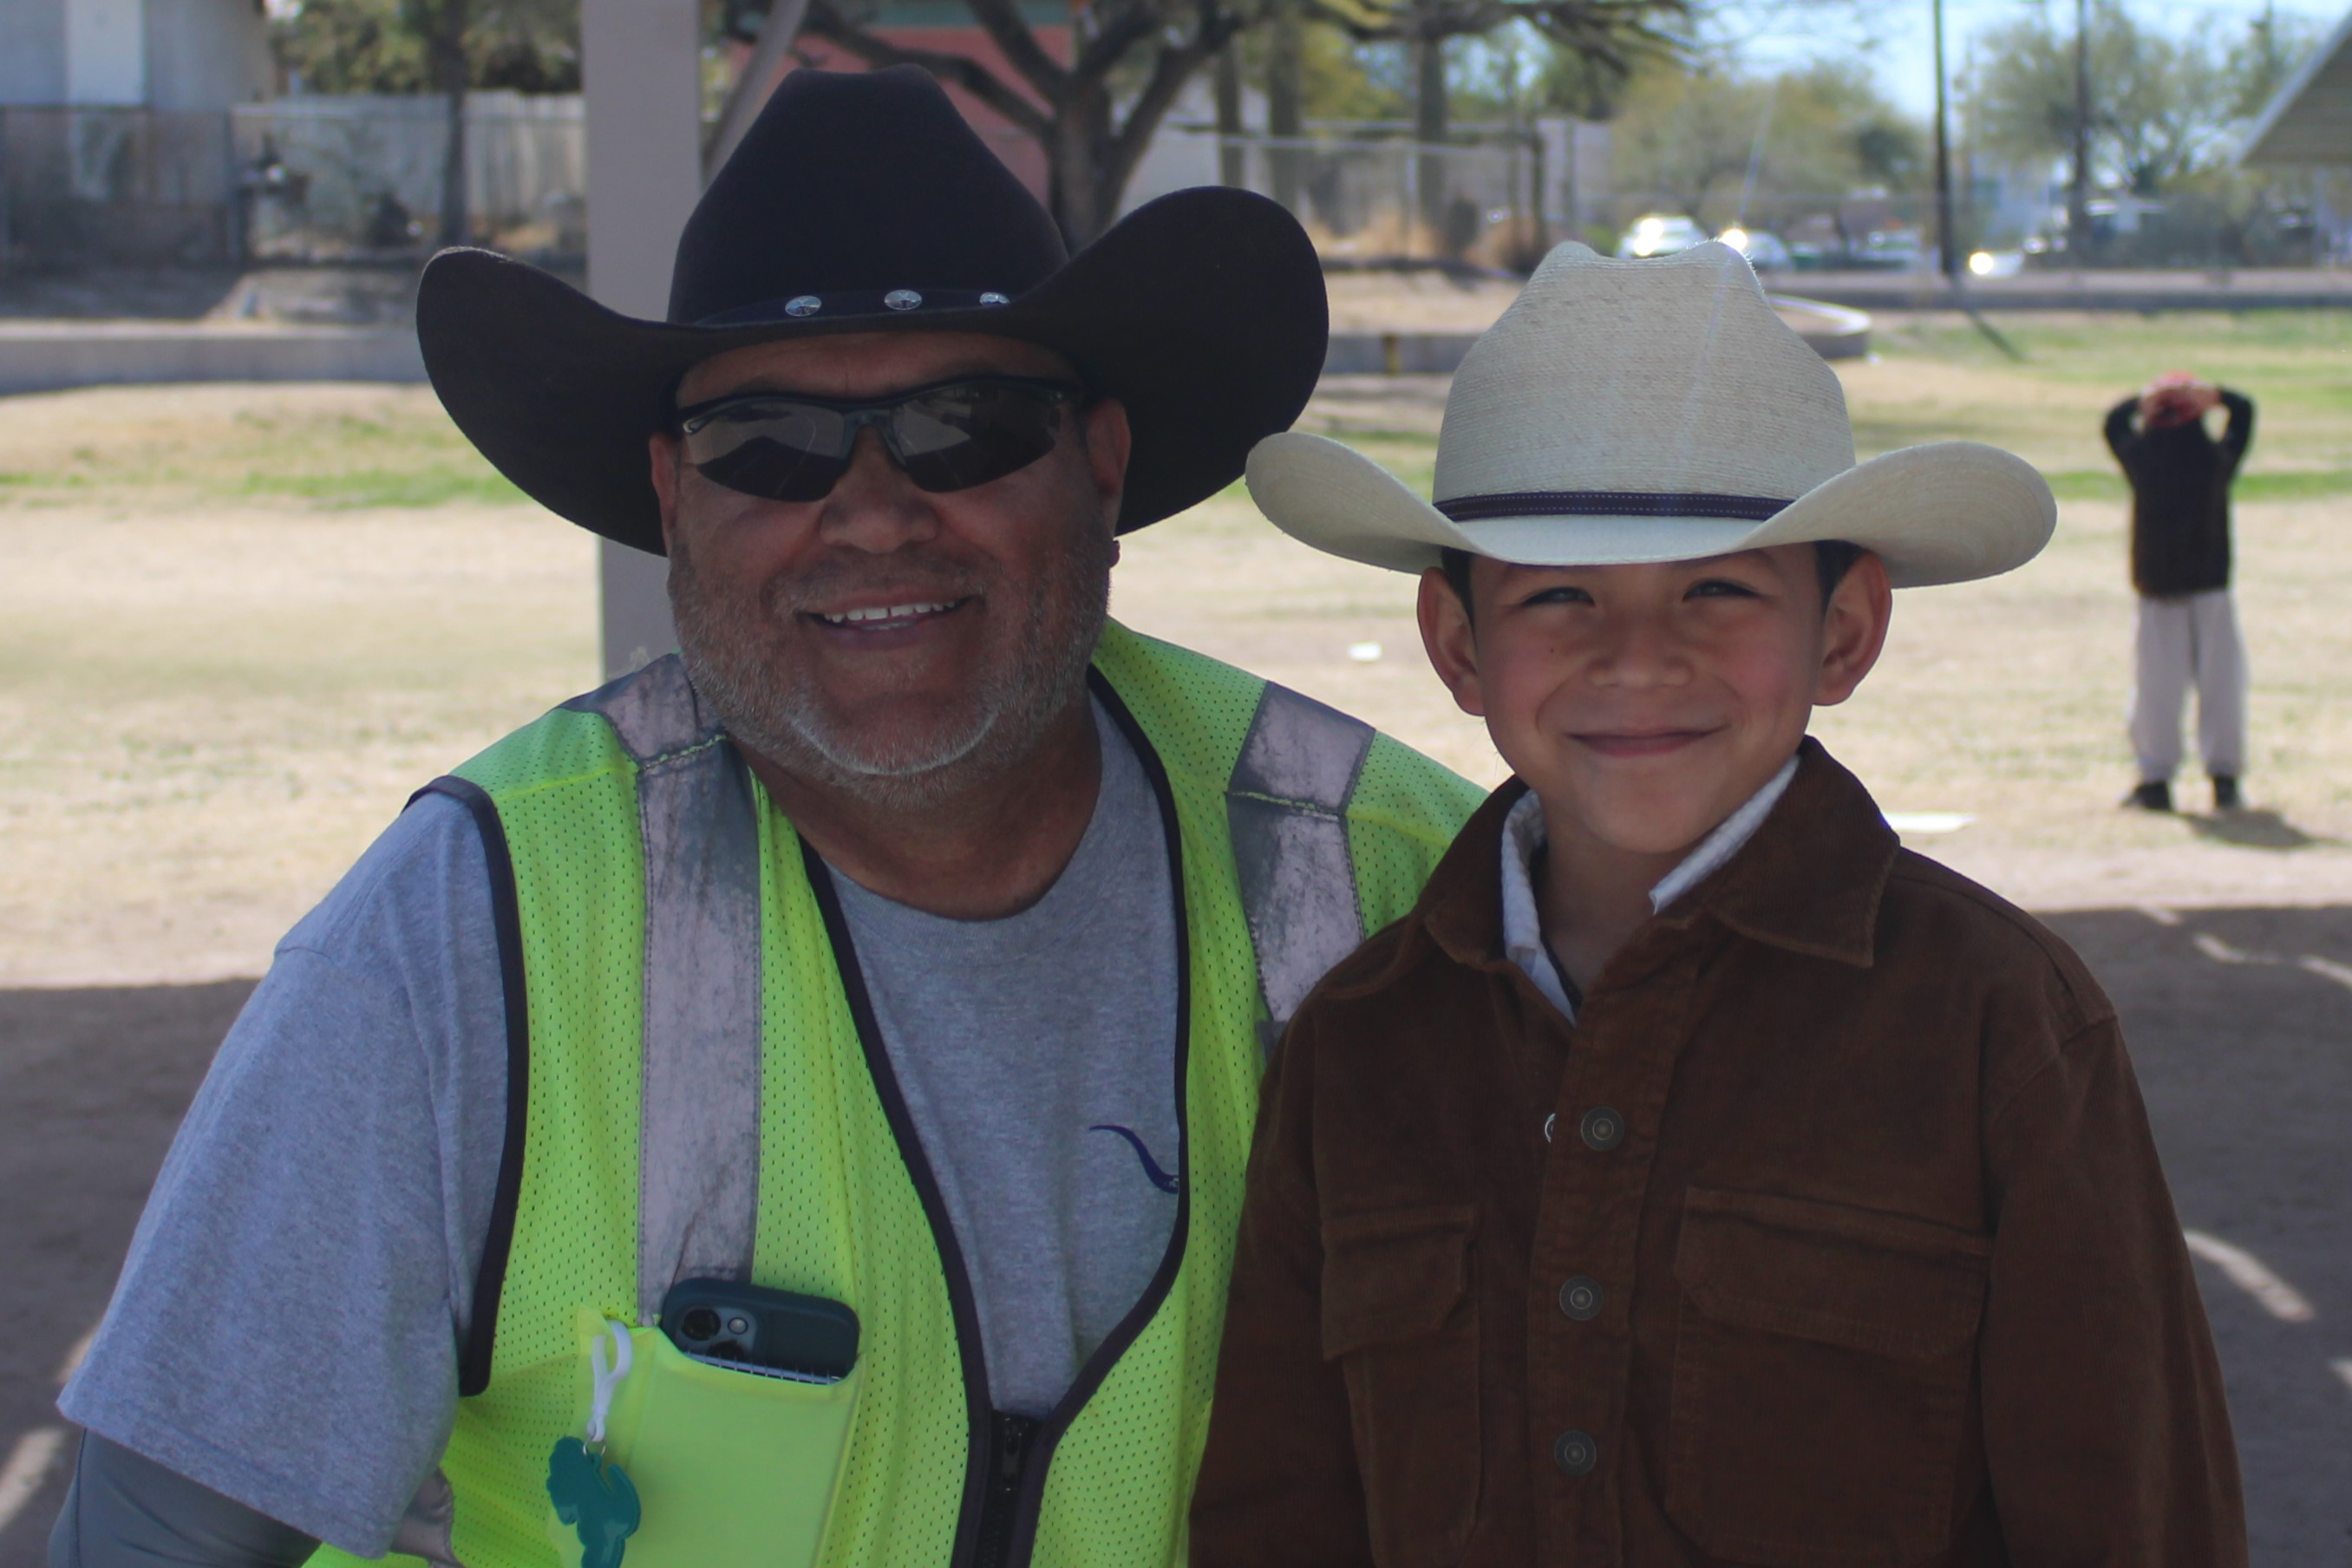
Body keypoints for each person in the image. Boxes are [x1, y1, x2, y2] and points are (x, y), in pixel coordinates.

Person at [49, 68, 1482, 1568]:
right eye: (770, 447)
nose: (870, 513)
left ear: (1100, 467)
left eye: (964, 423)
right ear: (674, 499)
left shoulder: (1385, 872)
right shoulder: (469, 925)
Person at [1189, 243, 2246, 1565]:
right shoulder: (1361, 1043)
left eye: (1719, 587)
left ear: (1845, 631)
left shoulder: (1998, 1026)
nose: (1639, 656)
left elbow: (2134, 1515)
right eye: (1559, 593)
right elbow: (1279, 1512)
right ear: (1459, 644)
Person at [2105, 370, 2257, 813]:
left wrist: (2145, 399)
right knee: (2206, 687)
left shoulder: (2144, 455)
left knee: (2164, 688)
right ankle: (2213, 778)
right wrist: (2212, 396)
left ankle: (2165, 779)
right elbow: (2243, 411)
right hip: (2197, 587)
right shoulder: (2212, 458)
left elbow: (2114, 422)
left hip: (2174, 587)